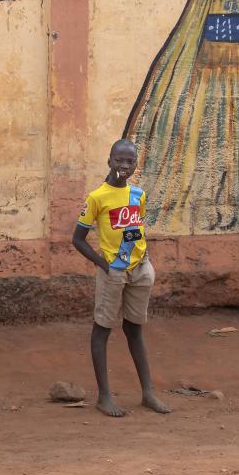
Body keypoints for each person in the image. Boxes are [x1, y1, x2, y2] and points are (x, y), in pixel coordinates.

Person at [72, 139, 171, 417]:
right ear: (110, 161)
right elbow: (77, 239)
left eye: (129, 161)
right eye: (119, 160)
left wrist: (144, 258)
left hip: (140, 268)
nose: (124, 166)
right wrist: (103, 264)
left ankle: (148, 392)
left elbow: (135, 228)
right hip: (113, 271)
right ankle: (104, 396)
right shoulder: (97, 197)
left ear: (135, 164)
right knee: (102, 329)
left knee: (135, 328)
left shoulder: (138, 194)